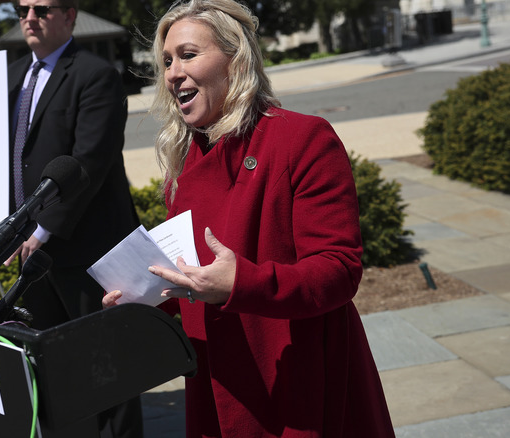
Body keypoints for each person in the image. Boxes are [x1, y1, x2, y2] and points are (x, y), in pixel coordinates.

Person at [102, 0, 396, 437]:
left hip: (296, 380)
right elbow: (193, 278)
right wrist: (146, 300)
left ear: (236, 59)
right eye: (166, 61)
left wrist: (242, 284)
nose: (172, 73)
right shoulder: (183, 164)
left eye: (187, 55)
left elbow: (339, 270)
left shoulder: (302, 138)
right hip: (218, 382)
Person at [5, 1, 143, 437]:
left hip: (86, 249)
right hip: (30, 255)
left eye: (41, 8)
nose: (29, 17)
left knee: (108, 368)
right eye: (22, 8)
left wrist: (43, 229)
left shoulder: (95, 74)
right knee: (57, 370)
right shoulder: (10, 78)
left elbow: (89, 160)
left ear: (70, 15)